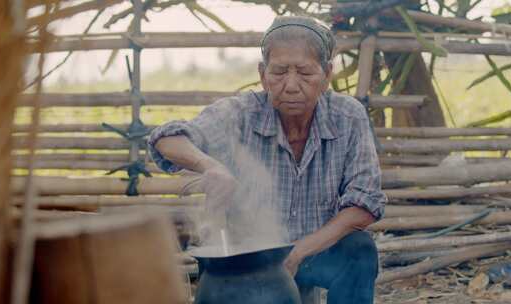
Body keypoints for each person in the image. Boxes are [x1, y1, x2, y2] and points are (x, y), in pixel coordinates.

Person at [148, 16, 387, 304]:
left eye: (305, 73)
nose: (291, 85)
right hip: (250, 262)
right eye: (279, 72)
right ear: (262, 75)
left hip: (314, 252)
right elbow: (166, 138)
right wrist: (210, 166)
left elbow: (365, 203)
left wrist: (297, 252)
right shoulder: (241, 114)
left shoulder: (348, 117)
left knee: (359, 250)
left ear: (327, 75)